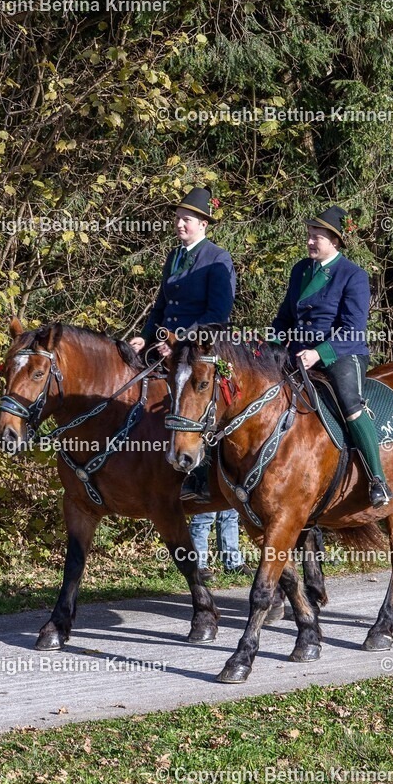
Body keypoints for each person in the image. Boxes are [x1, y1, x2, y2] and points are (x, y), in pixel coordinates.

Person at [128, 186, 248, 573]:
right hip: (169, 347)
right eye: (177, 217)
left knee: (197, 408)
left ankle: (202, 480)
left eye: (187, 218)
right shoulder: (174, 256)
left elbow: (219, 312)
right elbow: (161, 306)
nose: (180, 223)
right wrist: (146, 336)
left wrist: (180, 340)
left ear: (203, 223)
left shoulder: (218, 258)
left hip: (201, 350)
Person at [271, 205, 393, 508]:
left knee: (351, 405)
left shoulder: (353, 275)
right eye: (310, 235)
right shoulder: (300, 270)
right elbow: (285, 317)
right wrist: (267, 342)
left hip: (341, 353)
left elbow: (353, 329)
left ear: (335, 242)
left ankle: (378, 480)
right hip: (297, 352)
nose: (311, 241)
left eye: (318, 237)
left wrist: (319, 352)